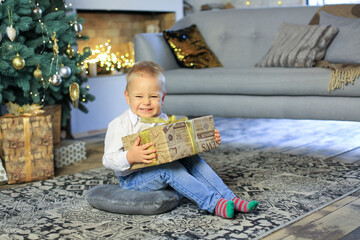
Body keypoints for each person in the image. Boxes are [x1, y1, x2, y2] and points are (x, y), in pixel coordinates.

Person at [102, 61, 258, 219]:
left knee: (192, 159)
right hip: (134, 179)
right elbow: (108, 159)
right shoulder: (119, 125)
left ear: (162, 98)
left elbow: (184, 146)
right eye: (139, 96)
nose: (146, 102)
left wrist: (207, 139)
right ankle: (213, 203)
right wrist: (130, 156)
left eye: (154, 96)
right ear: (127, 97)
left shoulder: (165, 119)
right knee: (168, 168)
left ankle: (230, 198)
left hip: (161, 168)